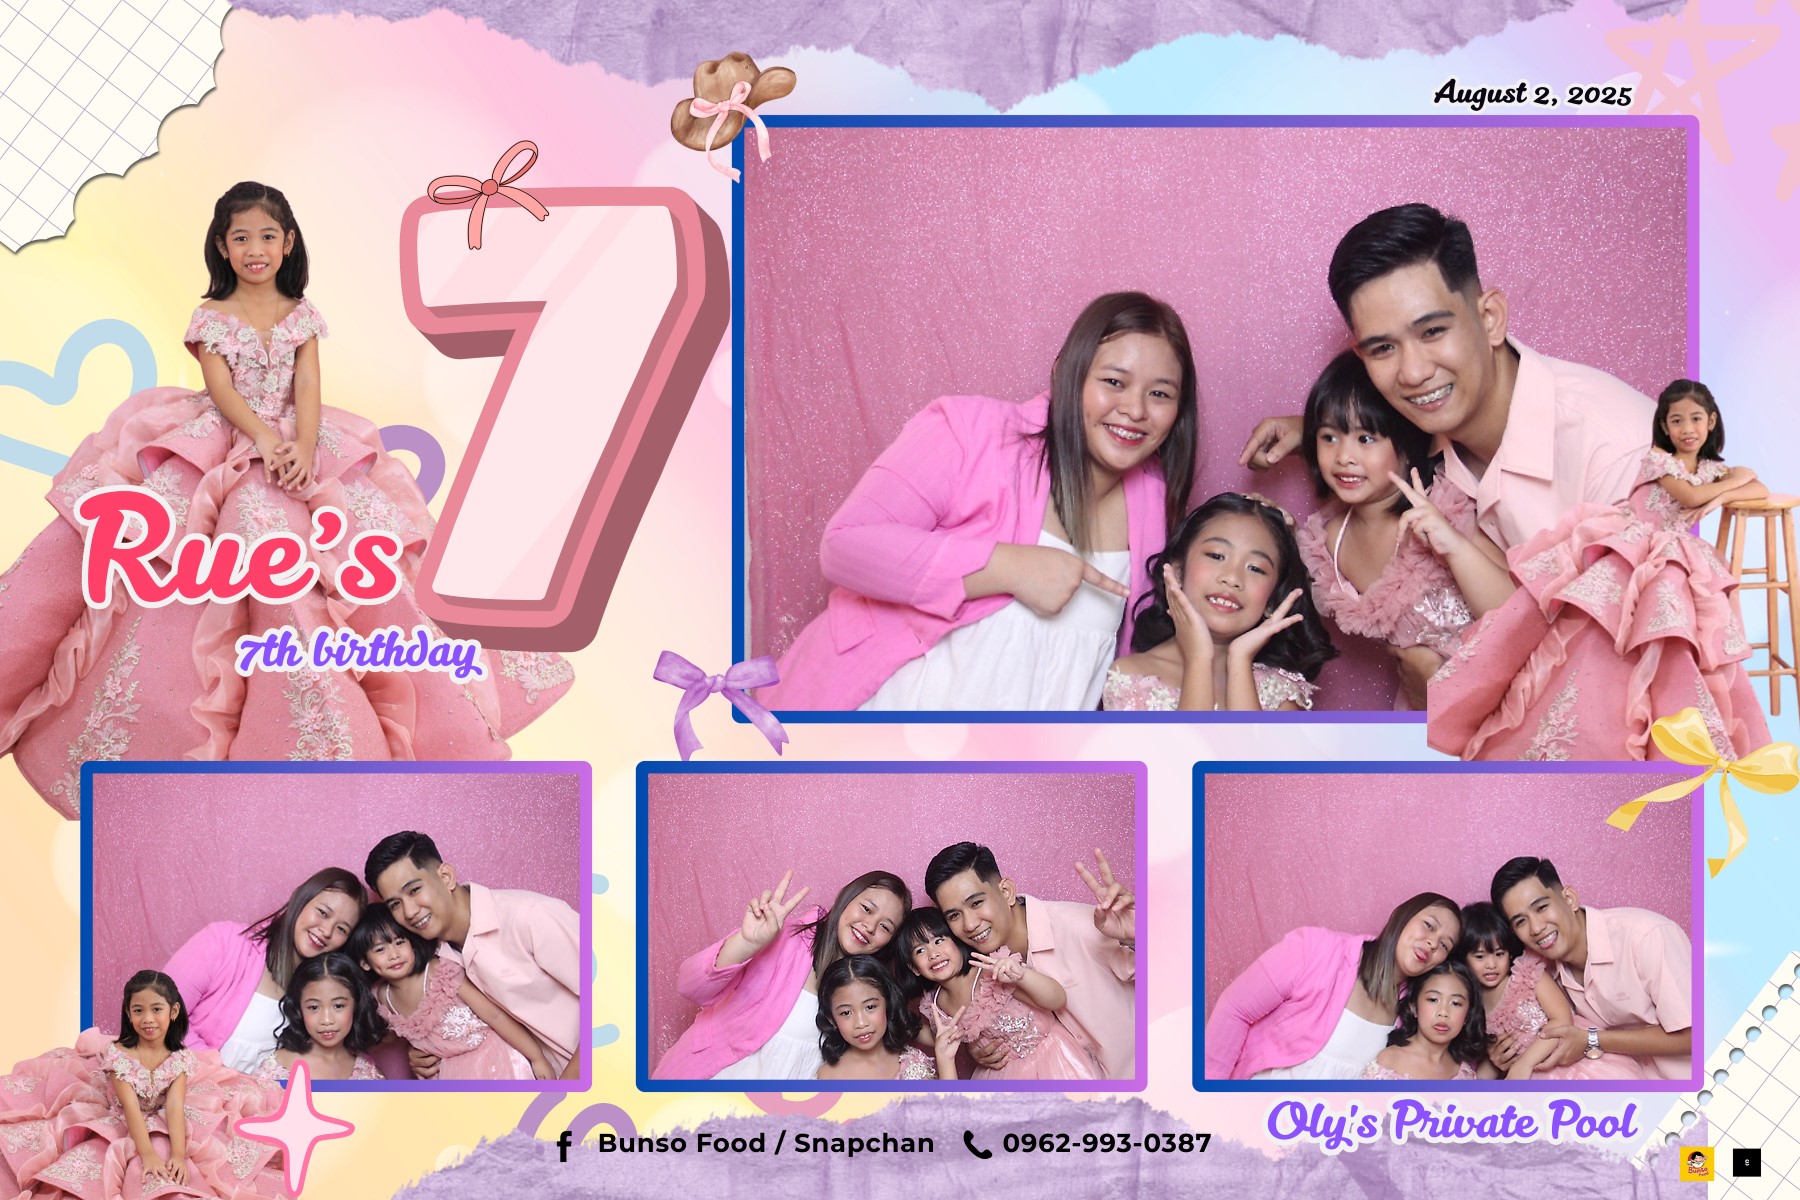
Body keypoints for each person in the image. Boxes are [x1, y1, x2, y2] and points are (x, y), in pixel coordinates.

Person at [0, 181, 573, 819]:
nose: (255, 249)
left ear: (288, 242)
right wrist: (265, 441)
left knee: (364, 562)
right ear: (222, 245)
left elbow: (308, 383)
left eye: (267, 237)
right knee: (194, 553)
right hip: (226, 440)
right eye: (241, 237)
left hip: (298, 442)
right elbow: (220, 390)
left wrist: (302, 444)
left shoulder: (299, 314)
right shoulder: (213, 316)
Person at [1239, 203, 1658, 697]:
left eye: (1433, 331)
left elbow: (1640, 678)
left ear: (1491, 318)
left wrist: (1438, 686)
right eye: (1382, 349)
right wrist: (1312, 433)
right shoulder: (1432, 427)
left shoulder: (1618, 456)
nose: (1413, 373)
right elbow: (1378, 434)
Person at [761, 292, 1201, 710]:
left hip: (1019, 777)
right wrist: (1006, 567)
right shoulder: (971, 432)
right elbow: (845, 546)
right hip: (876, 742)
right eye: (1113, 381)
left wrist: (1263, 521)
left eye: (1160, 393)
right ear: (1066, 373)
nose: (1135, 409)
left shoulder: (1155, 504)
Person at [1432, 380, 1771, 759]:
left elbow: (1758, 489)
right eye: (1676, 421)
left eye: (1695, 419)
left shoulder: (1710, 469)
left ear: (1711, 422)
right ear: (1664, 426)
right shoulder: (1659, 461)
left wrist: (1729, 486)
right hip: (1632, 541)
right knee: (1597, 625)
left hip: (1669, 552)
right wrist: (1733, 483)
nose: (1686, 429)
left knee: (1672, 627)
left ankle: (1666, 716)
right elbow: (1690, 497)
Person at [1292, 352, 1512, 709]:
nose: (1344, 456)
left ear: (1409, 446)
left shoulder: (1441, 510)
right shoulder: (1329, 540)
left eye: (1366, 439)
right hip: (1422, 702)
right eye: (1329, 437)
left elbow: (1515, 609)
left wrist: (1454, 547)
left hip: (1502, 693)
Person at [0, 971, 285, 1197]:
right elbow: (132, 1109)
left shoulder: (178, 1058)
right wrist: (148, 1156)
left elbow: (174, 1105)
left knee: (210, 1152)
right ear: (128, 1013)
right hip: (124, 1113)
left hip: (160, 1111)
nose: (147, 1019)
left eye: (156, 1009)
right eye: (138, 1010)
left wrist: (177, 1154)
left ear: (173, 1012)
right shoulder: (119, 1056)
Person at [652, 869, 912, 1080]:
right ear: (846, 898)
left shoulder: (870, 991)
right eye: (867, 909)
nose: (869, 926)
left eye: (885, 926)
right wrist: (746, 942)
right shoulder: (784, 936)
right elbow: (689, 986)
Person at [366, 831, 582, 1080]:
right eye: (395, 904)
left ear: (446, 877)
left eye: (414, 890)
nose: (410, 911)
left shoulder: (529, 916)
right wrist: (421, 1053)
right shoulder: (432, 960)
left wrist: (566, 1089)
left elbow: (619, 1000)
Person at [1103, 493, 1335, 711]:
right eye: (1216, 556)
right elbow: (1188, 754)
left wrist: (1240, 660)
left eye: (1256, 568)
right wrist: (1198, 659)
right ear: (1177, 571)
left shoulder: (1281, 690)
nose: (1232, 578)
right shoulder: (1132, 677)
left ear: (1272, 601)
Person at [925, 844, 1135, 1078]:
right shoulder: (971, 961)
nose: (970, 924)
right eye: (954, 915)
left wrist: (1141, 936)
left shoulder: (1084, 926)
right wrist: (980, 1045)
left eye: (976, 903)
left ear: (1006, 892)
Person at [1204, 891, 1460, 1080]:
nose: (1432, 943)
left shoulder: (1413, 1013)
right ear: (1401, 917)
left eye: (1445, 945)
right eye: (1428, 926)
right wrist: (1212, 1095)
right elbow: (1235, 1009)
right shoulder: (1316, 949)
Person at [1491, 857, 1692, 1079]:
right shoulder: (1541, 971)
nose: (1536, 928)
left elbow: (1694, 1036)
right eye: (1521, 922)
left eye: (1542, 907)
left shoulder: (1646, 937)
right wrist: (1503, 1056)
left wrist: (1591, 1039)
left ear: (1569, 898)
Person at [162, 865, 366, 1073]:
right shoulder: (223, 942)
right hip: (189, 1092)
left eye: (341, 928)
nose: (326, 930)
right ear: (300, 898)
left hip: (264, 1103)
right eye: (322, 912)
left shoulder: (323, 991)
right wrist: (221, 1077)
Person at [351, 904, 552, 1080]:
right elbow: (389, 1037)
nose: (393, 954)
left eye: (399, 942)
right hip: (449, 1076)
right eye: (380, 950)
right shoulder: (380, 998)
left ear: (412, 943)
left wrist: (537, 1058)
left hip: (494, 1062)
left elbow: (495, 1016)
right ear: (365, 963)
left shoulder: (440, 972)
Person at [901, 906, 1102, 1081]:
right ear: (914, 968)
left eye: (938, 940)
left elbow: (1057, 999)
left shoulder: (991, 971)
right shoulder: (935, 1006)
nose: (933, 954)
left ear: (956, 941)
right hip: (999, 1077)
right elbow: (925, 1036)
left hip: (1053, 1060)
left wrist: (1021, 976)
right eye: (920, 950)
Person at [1458, 901, 1643, 1080]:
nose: (1491, 965)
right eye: (1480, 956)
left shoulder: (1526, 974)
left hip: (1573, 1063)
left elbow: (1562, 1020)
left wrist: (1524, 1064)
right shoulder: (1473, 1005)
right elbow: (1493, 1059)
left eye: (1499, 954)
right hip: (1531, 1078)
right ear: (1464, 958)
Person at [814, 955, 955, 1081]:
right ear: (832, 1019)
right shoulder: (827, 1078)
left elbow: (948, 1109)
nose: (861, 1023)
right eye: (846, 1013)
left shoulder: (912, 1061)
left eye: (870, 1007)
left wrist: (946, 1060)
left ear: (887, 1004)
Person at [252, 952, 386, 1081]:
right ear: (299, 1009)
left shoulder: (368, 1072)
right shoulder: (276, 1069)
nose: (326, 1020)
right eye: (314, 1007)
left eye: (338, 1006)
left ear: (356, 1005)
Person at [1358, 960, 1485, 1081]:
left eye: (1456, 1003)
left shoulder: (1464, 1074)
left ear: (1467, 1015)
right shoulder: (1388, 1061)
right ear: (1414, 1007)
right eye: (1433, 1000)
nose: (1443, 1012)